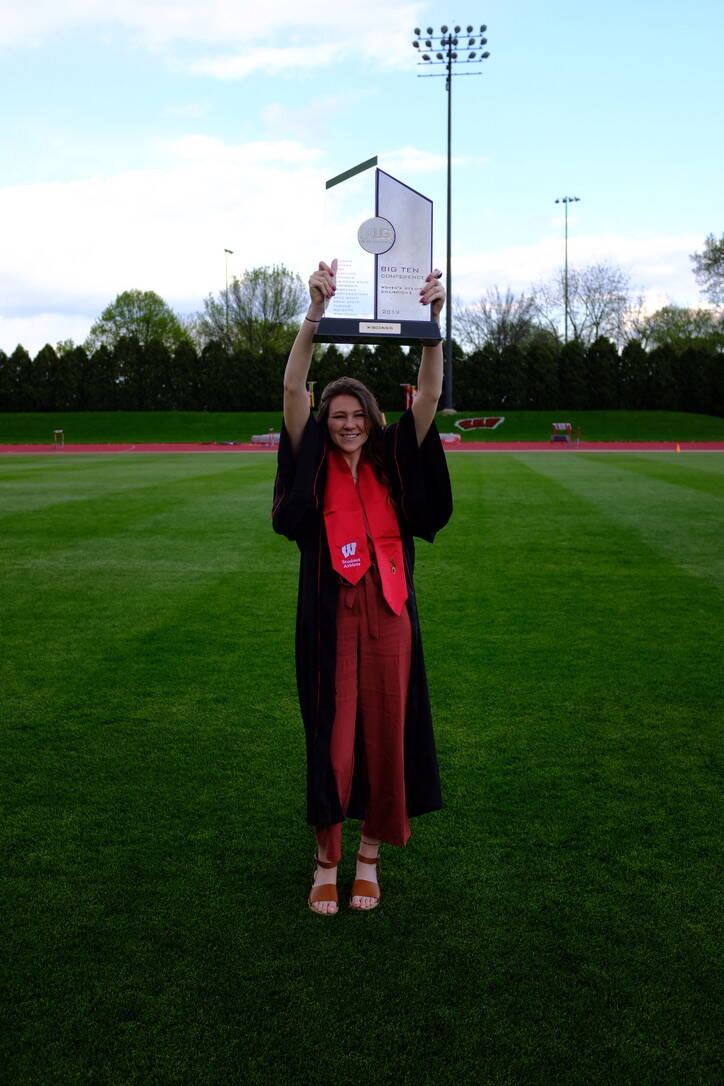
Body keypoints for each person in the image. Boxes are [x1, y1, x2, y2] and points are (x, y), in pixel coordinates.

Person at [272, 259, 452, 915]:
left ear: (374, 418)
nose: (347, 422)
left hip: (390, 615)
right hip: (330, 617)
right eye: (337, 413)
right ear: (326, 419)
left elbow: (428, 397)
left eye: (358, 414)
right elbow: (293, 388)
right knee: (335, 737)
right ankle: (326, 861)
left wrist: (432, 323)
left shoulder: (393, 460)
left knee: (386, 734)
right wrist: (314, 315)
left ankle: (368, 858)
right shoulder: (313, 459)